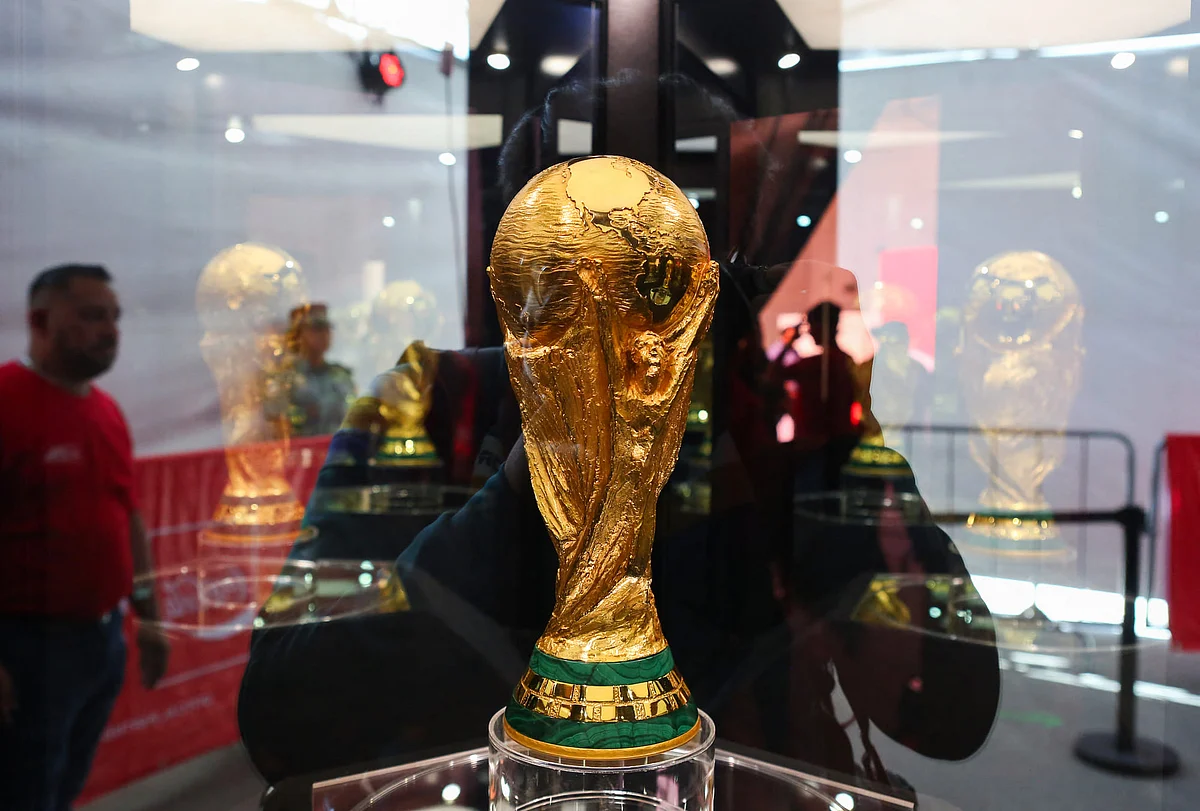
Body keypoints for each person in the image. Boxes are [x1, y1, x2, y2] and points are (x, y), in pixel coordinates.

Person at [0, 264, 169, 811]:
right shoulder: (6, 400)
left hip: (101, 641)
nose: (111, 331)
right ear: (40, 321)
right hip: (26, 647)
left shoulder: (106, 410)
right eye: (93, 316)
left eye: (114, 317)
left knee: (65, 785)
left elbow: (129, 517)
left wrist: (149, 617)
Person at [280, 303, 356, 437]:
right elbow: (280, 430)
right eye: (317, 328)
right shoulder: (285, 379)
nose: (325, 334)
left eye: (327, 328)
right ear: (298, 334)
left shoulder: (341, 375)